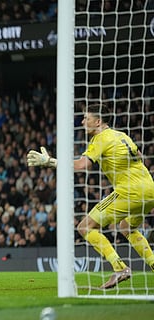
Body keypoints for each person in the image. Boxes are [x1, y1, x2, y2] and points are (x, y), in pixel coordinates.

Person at [27, 103, 154, 289]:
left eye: (87, 118)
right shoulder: (122, 135)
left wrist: (50, 162)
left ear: (98, 121)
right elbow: (140, 156)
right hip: (149, 188)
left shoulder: (100, 139)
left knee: (84, 227)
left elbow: (80, 166)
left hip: (129, 191)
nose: (83, 121)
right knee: (126, 227)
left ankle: (120, 269)